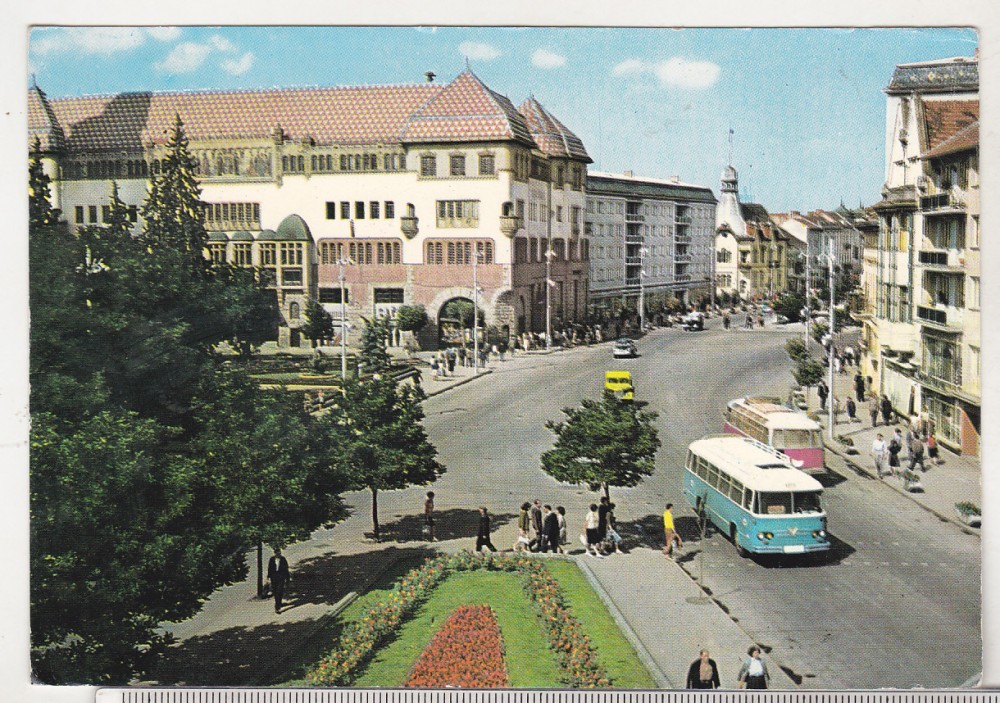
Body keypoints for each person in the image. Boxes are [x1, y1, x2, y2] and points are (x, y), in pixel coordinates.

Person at [266, 547, 290, 614]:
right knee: (275, 592)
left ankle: (277, 607)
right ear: (275, 553)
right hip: (274, 577)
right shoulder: (272, 559)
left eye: (280, 553)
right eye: (277, 553)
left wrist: (287, 578)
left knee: (280, 591)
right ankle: (278, 602)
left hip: (281, 577)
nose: (279, 554)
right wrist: (268, 577)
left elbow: (286, 568)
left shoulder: (283, 559)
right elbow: (269, 568)